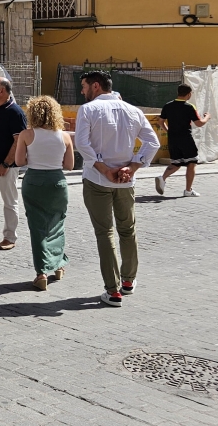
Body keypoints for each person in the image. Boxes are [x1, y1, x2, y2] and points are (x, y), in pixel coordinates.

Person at [74, 71, 160, 307]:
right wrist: (132, 167)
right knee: (127, 229)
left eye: (84, 86)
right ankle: (129, 280)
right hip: (125, 181)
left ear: (96, 86)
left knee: (105, 233)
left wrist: (104, 169)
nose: (82, 91)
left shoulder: (88, 110)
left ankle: (113, 290)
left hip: (98, 179)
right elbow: (153, 142)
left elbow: (82, 143)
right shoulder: (133, 110)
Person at [12, 95, 75, 291]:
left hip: (34, 181)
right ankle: (58, 264)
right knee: (57, 223)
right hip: (56, 182)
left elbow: (19, 162)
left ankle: (41, 273)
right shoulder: (64, 136)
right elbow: (70, 165)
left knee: (37, 226)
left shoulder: (26, 134)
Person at [0, 77, 27, 251]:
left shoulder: (15, 112)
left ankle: (10, 237)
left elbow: (18, 141)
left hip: (6, 166)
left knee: (9, 201)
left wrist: (6, 164)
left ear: (2, 91)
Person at [156, 84, 210, 197]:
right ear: (189, 94)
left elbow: (160, 122)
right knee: (191, 163)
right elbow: (199, 123)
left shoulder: (168, 105)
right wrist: (207, 117)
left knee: (176, 162)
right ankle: (188, 190)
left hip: (172, 139)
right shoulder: (189, 106)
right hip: (185, 138)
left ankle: (162, 178)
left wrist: (169, 131)